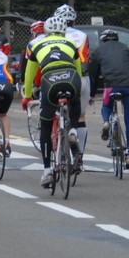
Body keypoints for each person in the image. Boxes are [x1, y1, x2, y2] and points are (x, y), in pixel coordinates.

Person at [22, 15, 83, 187]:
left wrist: (27, 96)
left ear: (46, 32)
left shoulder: (37, 45)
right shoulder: (71, 44)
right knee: (75, 100)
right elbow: (78, 71)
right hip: (71, 78)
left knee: (46, 126)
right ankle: (73, 132)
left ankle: (47, 171)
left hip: (50, 81)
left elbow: (29, 75)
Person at [89, 28, 129, 169]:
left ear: (103, 40)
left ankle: (106, 122)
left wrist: (92, 93)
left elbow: (93, 75)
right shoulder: (127, 49)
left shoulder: (98, 51)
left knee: (106, 106)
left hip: (111, 86)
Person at [56, 4, 90, 171]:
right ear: (74, 21)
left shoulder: (54, 35)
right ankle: (79, 157)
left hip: (57, 76)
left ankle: (57, 156)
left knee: (54, 115)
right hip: (80, 77)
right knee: (80, 117)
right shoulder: (83, 36)